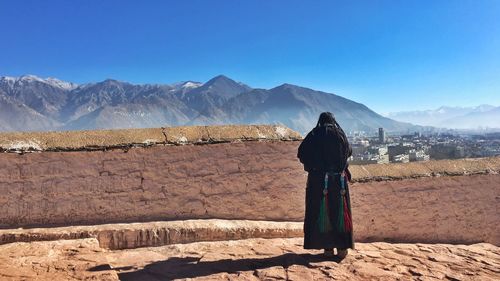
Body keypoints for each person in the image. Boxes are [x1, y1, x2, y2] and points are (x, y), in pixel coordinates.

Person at [297, 112, 354, 260]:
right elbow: (349, 152)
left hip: (319, 183)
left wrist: (314, 167)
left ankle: (327, 248)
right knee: (340, 214)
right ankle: (342, 248)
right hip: (339, 182)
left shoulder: (315, 134)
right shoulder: (340, 134)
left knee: (324, 214)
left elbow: (301, 153)